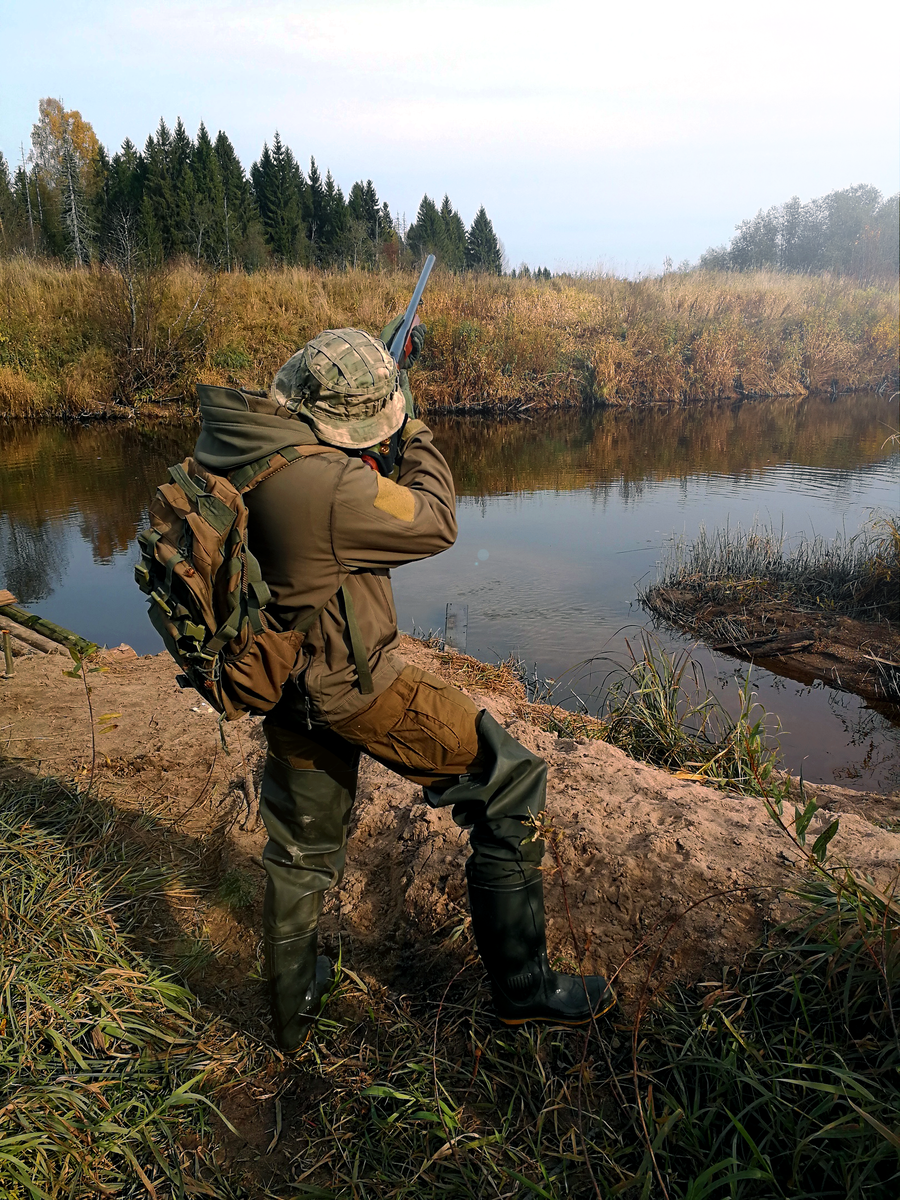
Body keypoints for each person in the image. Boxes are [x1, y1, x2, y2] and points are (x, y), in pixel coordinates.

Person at [193, 323, 615, 1050]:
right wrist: (409, 423)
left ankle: (292, 1012)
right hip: (352, 687)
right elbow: (435, 520)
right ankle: (525, 992)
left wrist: (366, 418)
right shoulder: (328, 484)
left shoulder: (235, 442)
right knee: (511, 780)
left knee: (297, 852)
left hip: (286, 680)